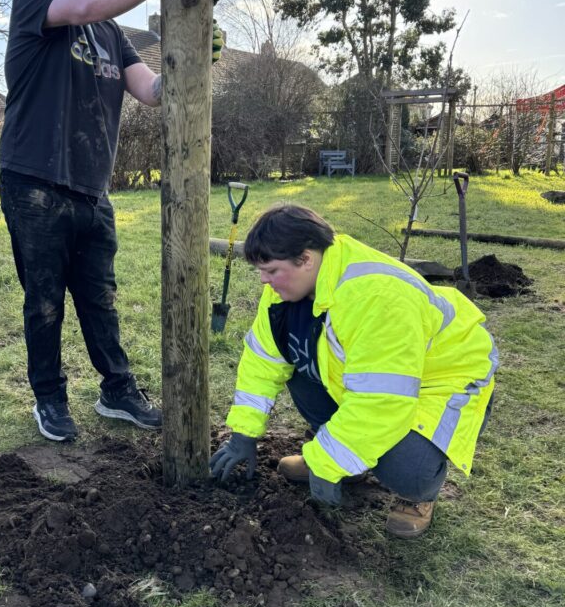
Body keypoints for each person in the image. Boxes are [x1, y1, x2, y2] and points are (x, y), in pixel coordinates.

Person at [0, 0, 222, 442]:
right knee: (45, 299)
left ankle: (116, 390)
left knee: (100, 296)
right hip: (34, 180)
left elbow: (152, 91)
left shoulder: (112, 36)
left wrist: (194, 60)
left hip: (92, 189)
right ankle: (49, 399)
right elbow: (81, 7)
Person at [210, 205, 498, 538]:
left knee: (405, 468)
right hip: (378, 378)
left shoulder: (376, 297)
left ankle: (418, 493)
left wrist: (324, 463)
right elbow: (264, 360)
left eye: (272, 270)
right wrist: (243, 435)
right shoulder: (285, 291)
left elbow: (382, 403)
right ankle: (347, 461)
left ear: (306, 259)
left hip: (442, 377)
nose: (263, 280)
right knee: (299, 366)